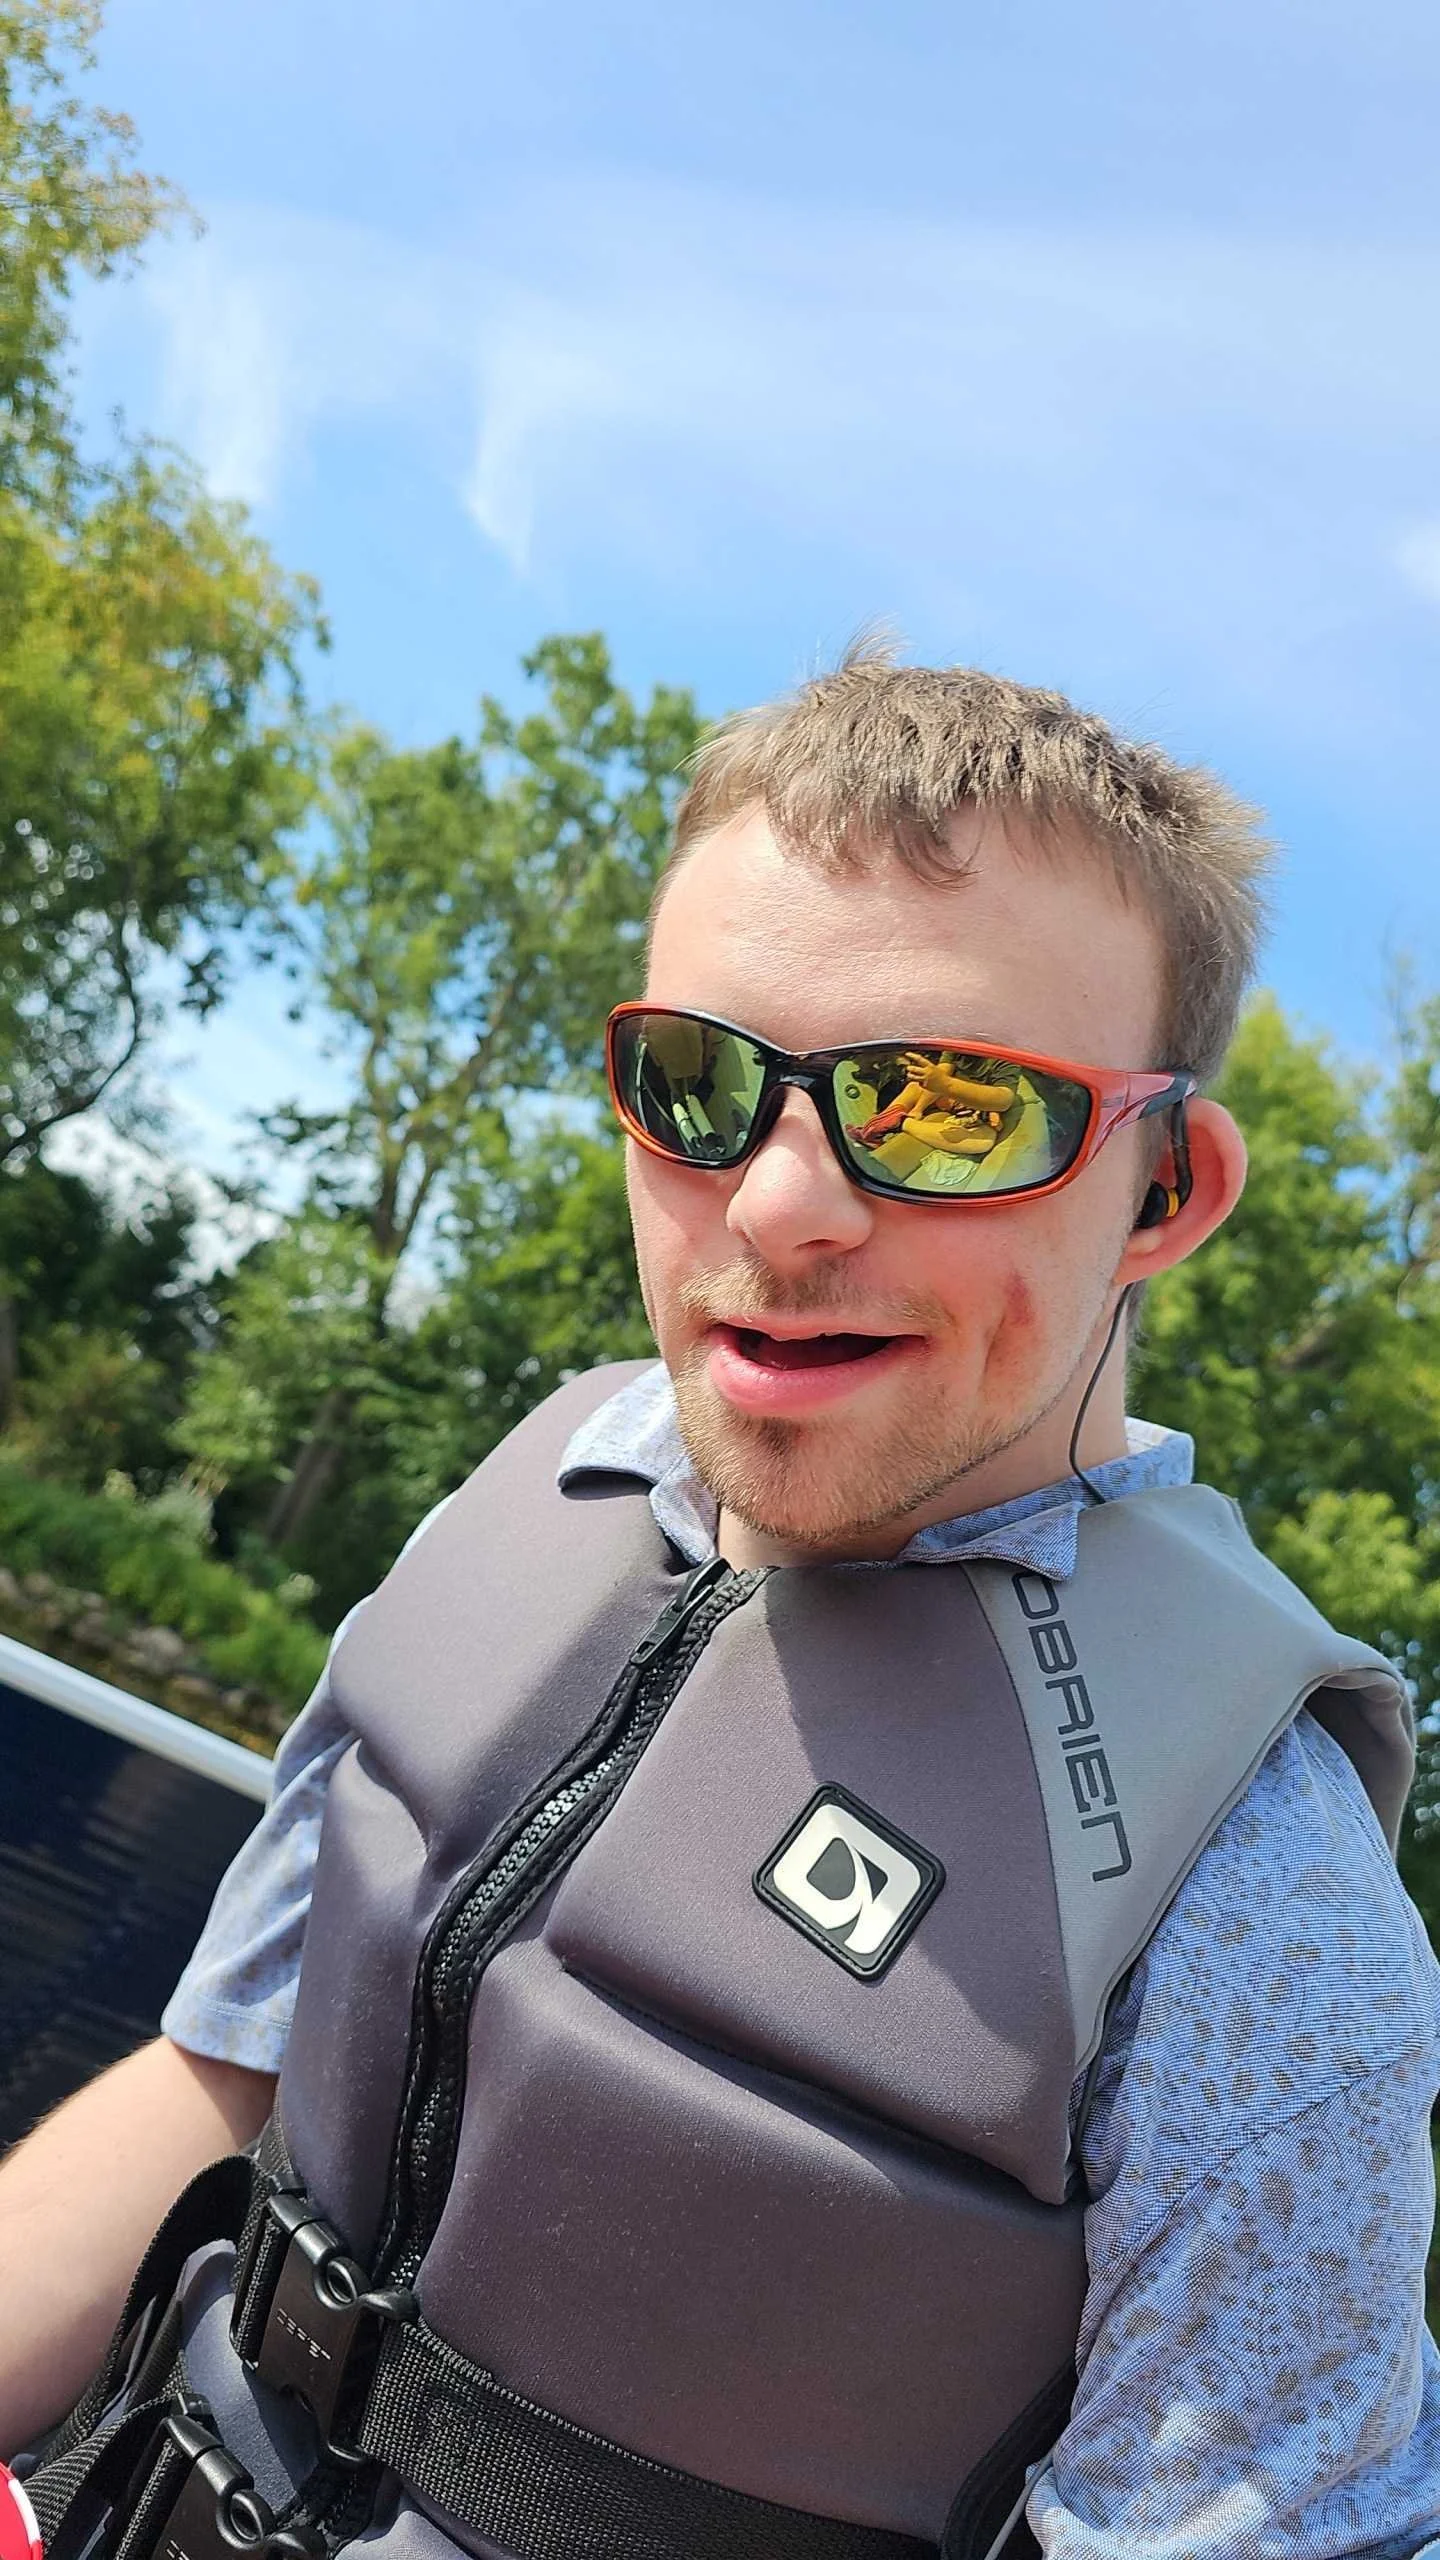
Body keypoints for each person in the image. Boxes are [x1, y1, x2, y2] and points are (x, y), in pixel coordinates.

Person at [2, 653, 1437, 2560]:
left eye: (939, 1111)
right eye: (696, 1082)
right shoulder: (536, 1505)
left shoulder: (1257, 1903)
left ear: (1166, 1188)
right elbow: (221, 2071)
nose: (776, 1206)